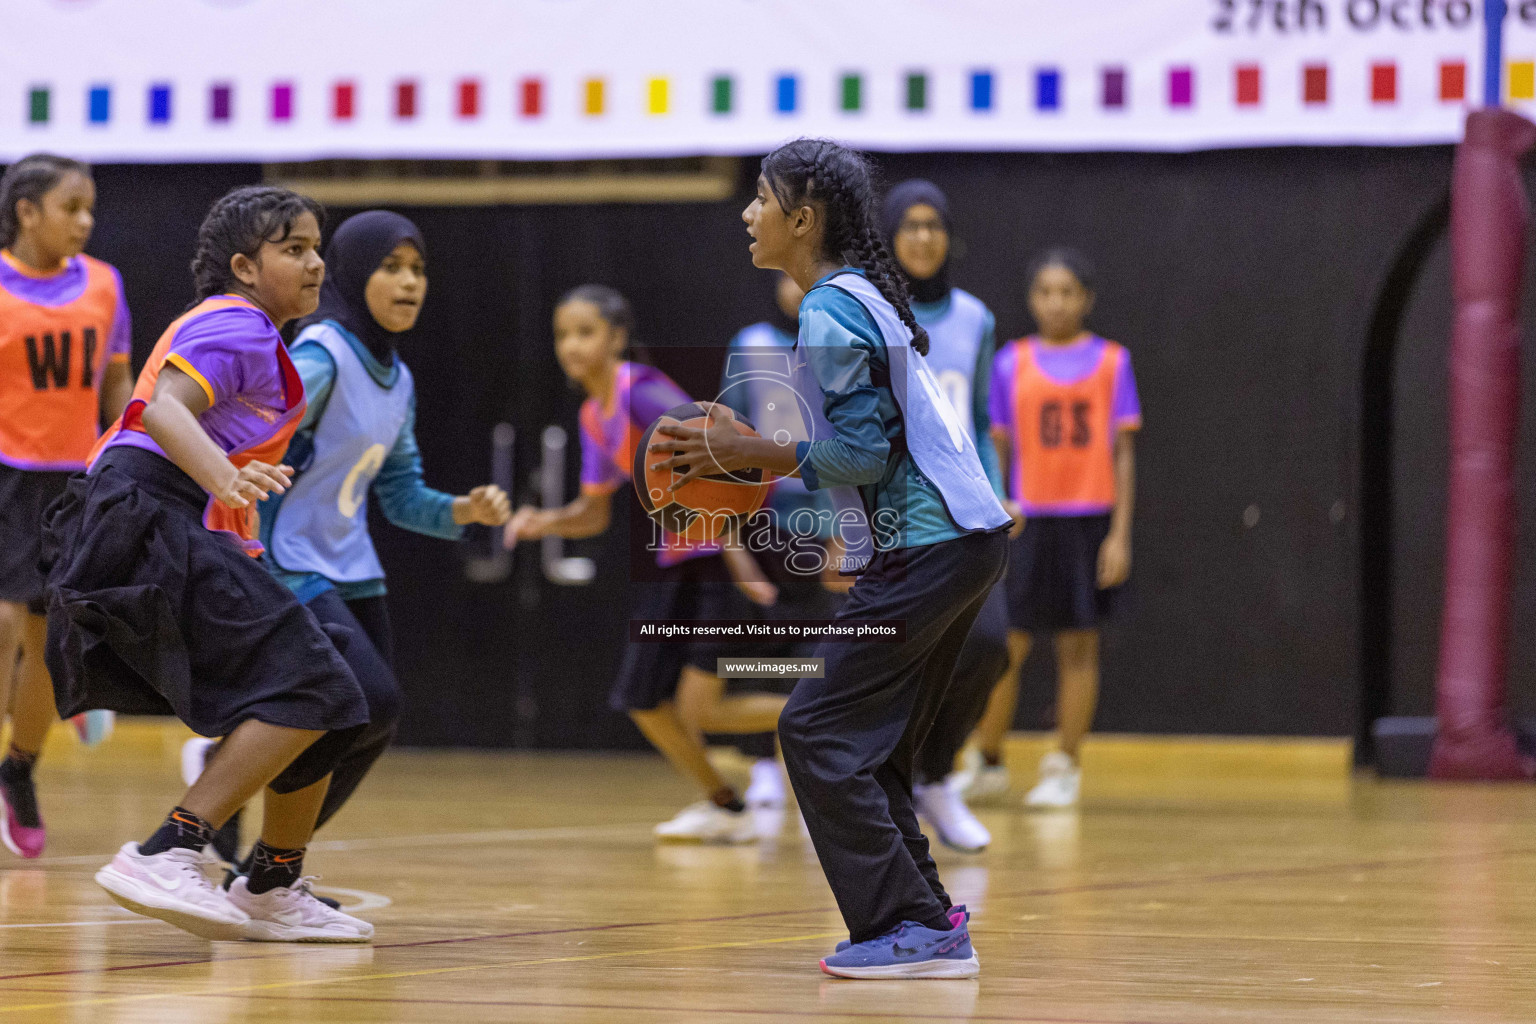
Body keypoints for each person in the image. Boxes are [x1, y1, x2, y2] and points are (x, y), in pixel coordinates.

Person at [649, 139, 1011, 979]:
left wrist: (748, 451)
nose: (747, 213)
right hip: (961, 539)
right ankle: (926, 922)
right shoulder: (860, 296)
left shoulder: (826, 307)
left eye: (761, 199)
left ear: (802, 219)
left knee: (810, 726)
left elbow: (864, 453)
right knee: (867, 740)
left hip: (932, 542)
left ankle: (913, 927)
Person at [40, 185, 374, 942]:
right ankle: (168, 848)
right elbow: (161, 408)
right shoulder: (237, 322)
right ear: (244, 267)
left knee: (339, 692)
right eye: (294, 249)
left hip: (160, 517)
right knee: (316, 684)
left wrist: (235, 519)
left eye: (318, 247)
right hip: (141, 512)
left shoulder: (262, 341)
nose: (317, 263)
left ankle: (272, 882)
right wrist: (224, 477)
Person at [180, 210, 510, 882]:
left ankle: (266, 873)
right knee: (367, 699)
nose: (409, 282)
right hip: (288, 566)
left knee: (371, 722)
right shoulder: (319, 356)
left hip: (352, 571)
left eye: (418, 269)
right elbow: (244, 445)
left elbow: (400, 496)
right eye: (391, 267)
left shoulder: (399, 379)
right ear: (355, 274)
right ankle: (221, 814)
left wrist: (465, 512)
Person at [503, 285, 786, 844]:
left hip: (714, 561)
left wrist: (739, 557)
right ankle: (726, 805)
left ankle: (844, 706)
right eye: (562, 334)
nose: (571, 345)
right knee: (643, 700)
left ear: (616, 338)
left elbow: (721, 457)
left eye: (584, 332)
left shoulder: (640, 392)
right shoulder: (593, 413)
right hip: (675, 564)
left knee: (701, 709)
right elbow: (593, 513)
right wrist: (544, 521)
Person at [955, 248, 1140, 809]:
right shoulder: (1011, 361)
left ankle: (1065, 764)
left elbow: (1124, 453)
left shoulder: (1113, 361)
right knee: (1003, 644)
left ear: (1087, 299)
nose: (1056, 302)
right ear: (1032, 298)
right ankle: (987, 759)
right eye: (1045, 291)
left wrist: (1120, 535)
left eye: (1068, 292)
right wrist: (995, 511)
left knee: (1078, 646)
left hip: (1089, 520)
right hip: (1026, 521)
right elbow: (999, 445)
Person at [0, 153, 133, 859]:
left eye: (90, 209)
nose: (84, 221)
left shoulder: (105, 287)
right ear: (27, 212)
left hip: (71, 481)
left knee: (47, 644)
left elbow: (118, 387)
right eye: (69, 207)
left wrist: (127, 456)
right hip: (5, 475)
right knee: (6, 624)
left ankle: (19, 767)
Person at [881, 179, 1010, 852]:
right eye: (911, 225)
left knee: (987, 643)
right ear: (891, 235)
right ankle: (879, 791)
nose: (924, 237)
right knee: (892, 655)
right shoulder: (869, 313)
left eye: (934, 224)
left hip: (966, 512)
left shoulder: (975, 318)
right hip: (899, 512)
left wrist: (996, 493)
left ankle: (937, 776)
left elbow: (984, 418)